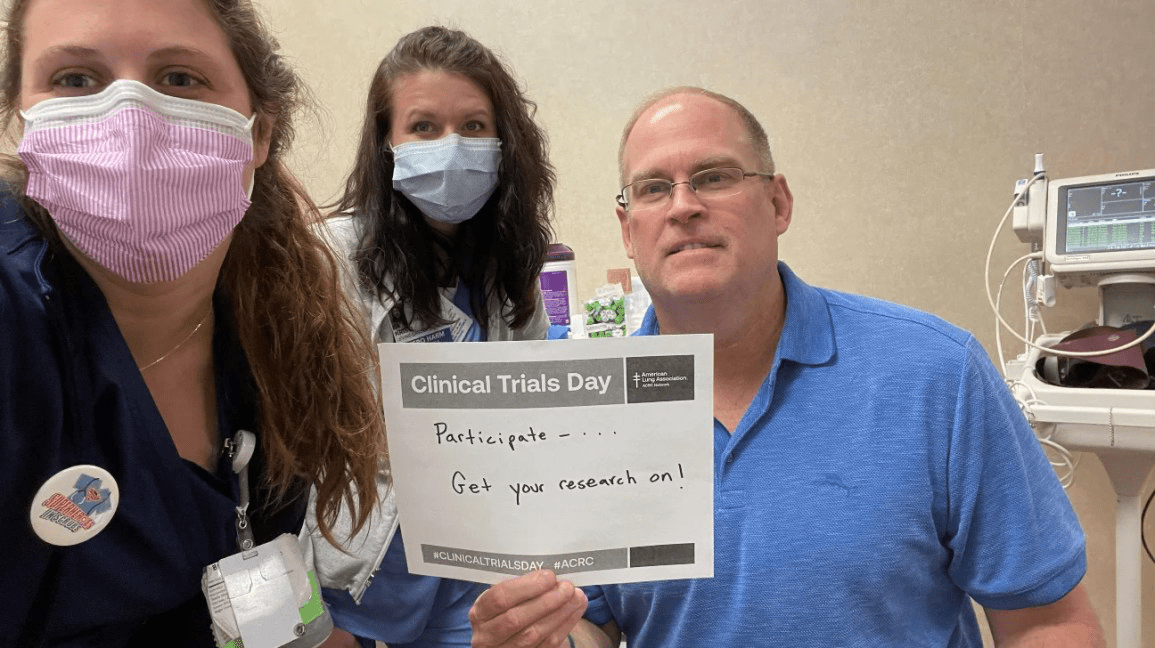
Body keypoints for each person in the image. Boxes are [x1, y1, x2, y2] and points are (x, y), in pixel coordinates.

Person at [467, 87, 1106, 647]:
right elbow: (596, 625)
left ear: (779, 204)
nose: (683, 205)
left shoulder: (937, 375)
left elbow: (1049, 622)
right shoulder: (591, 415)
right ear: (629, 229)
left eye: (714, 177)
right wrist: (545, 639)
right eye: (654, 188)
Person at [0, 0, 383, 645]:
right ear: (21, 121)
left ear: (259, 133)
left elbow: (266, 609)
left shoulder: (271, 325)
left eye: (179, 78)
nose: (130, 118)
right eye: (75, 79)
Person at [302, 26, 556, 648]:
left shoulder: (510, 276)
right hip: (350, 592)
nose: (452, 146)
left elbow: (536, 436)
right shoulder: (328, 261)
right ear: (386, 144)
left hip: (472, 591)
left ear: (503, 142)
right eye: (423, 127)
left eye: (473, 126)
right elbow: (276, 455)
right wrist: (309, 626)